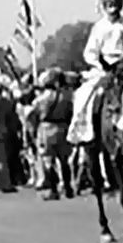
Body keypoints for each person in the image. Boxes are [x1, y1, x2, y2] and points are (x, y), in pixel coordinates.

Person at [69, 0, 123, 146]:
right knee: (85, 94)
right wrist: (101, 63)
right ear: (104, 6)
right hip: (104, 68)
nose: (113, 7)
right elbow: (90, 53)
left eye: (116, 4)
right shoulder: (99, 27)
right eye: (109, 4)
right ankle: (85, 132)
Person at [33, 69, 74, 200]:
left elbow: (33, 114)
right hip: (63, 128)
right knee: (64, 161)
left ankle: (53, 190)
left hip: (46, 128)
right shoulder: (67, 97)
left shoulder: (41, 99)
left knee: (48, 161)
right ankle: (67, 188)